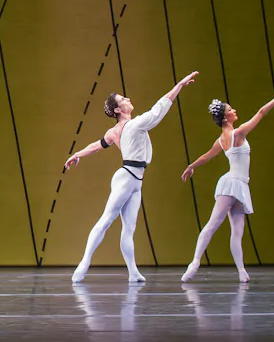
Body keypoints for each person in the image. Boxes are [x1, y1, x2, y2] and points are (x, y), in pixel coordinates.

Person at [64, 71, 199, 283]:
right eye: (123, 99)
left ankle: (133, 271)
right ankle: (84, 263)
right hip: (126, 176)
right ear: (118, 109)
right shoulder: (134, 125)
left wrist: (78, 154)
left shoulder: (118, 130)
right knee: (107, 219)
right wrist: (179, 85)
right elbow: (159, 109)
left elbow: (96, 146)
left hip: (136, 180)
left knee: (129, 228)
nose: (128, 99)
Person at [180, 89, 274, 283]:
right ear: (225, 117)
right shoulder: (238, 132)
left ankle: (241, 271)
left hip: (241, 185)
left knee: (237, 232)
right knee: (213, 223)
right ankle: (194, 263)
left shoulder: (222, 140)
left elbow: (206, 156)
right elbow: (261, 112)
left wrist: (192, 166)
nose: (234, 110)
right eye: (230, 109)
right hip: (231, 183)